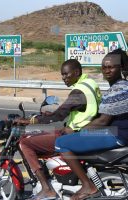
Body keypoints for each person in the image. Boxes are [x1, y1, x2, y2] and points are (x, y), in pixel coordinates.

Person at [15, 59, 101, 200]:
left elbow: (60, 115)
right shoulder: (90, 84)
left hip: (75, 133)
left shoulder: (79, 92)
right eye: (62, 75)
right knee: (48, 134)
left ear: (77, 72)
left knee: (26, 143)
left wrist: (30, 121)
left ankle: (47, 188)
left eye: (66, 74)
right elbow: (73, 109)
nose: (63, 78)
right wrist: (51, 114)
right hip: (85, 130)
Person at [55, 48, 128, 200]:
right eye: (104, 67)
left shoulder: (118, 89)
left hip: (116, 134)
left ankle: (88, 185)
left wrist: (79, 131)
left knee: (61, 143)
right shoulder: (122, 86)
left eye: (111, 67)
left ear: (120, 68)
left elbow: (103, 121)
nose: (106, 71)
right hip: (117, 131)